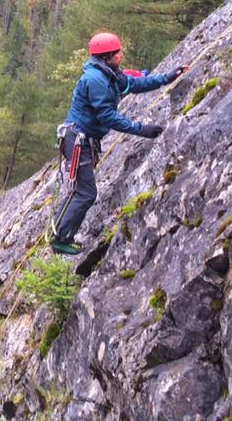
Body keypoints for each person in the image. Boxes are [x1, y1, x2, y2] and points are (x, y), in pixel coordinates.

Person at [50, 32, 188, 256]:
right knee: (86, 193)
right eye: (118, 52)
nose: (122, 55)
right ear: (107, 57)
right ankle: (61, 239)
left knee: (80, 191)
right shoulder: (96, 80)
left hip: (80, 139)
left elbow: (133, 84)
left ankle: (60, 233)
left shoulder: (108, 74)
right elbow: (107, 116)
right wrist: (140, 129)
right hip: (78, 141)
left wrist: (166, 78)